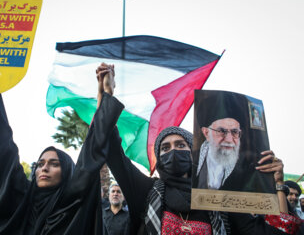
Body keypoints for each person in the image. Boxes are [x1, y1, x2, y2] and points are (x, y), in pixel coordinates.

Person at [96, 63, 301, 234]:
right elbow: (112, 150)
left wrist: (276, 185)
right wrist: (106, 95)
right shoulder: (147, 190)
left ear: (193, 151)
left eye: (180, 145)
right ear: (158, 158)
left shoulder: (219, 195)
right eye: (165, 148)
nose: (173, 151)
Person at [0, 69, 123, 235]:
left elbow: (91, 156)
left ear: (66, 172)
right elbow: (3, 152)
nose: (44, 168)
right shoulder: (21, 200)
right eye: (40, 164)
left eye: (54, 164)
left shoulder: (71, 204)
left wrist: (106, 95)